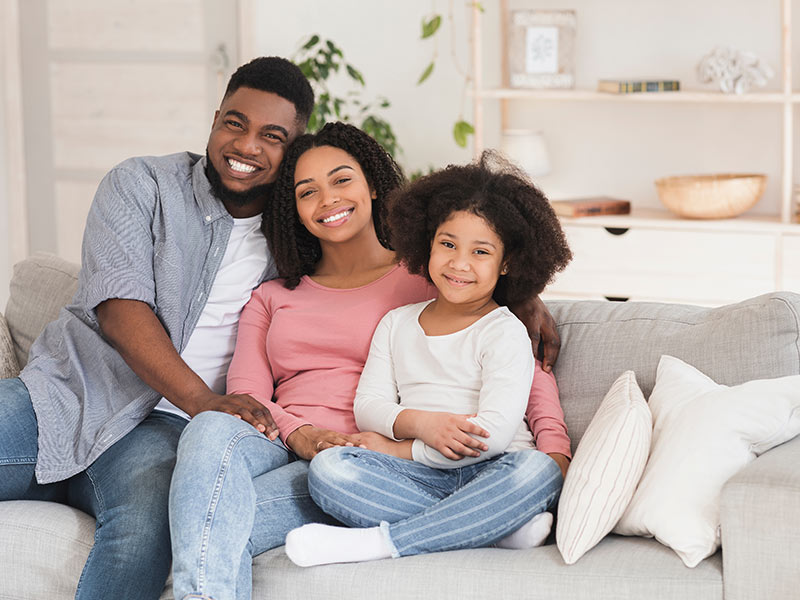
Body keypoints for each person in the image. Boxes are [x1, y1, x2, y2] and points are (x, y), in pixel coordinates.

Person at [169, 122, 571, 600]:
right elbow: (248, 397)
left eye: (342, 180)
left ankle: (433, 527)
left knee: (216, 523)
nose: (328, 200)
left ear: (374, 185)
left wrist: (555, 450)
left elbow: (517, 363)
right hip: (290, 443)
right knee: (210, 432)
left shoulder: (430, 276)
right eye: (307, 191)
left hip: (374, 457)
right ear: (292, 208)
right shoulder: (271, 297)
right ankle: (486, 523)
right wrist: (302, 434)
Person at [0, 57, 314, 599]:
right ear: (216, 118)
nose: (246, 147)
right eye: (235, 123)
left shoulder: (299, 235)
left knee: (144, 538)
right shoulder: (142, 183)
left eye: (272, 136)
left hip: (164, 435)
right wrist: (202, 400)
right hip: (67, 393)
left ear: (294, 149)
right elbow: (121, 309)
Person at [283, 149, 573, 567]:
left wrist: (400, 449)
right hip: (416, 480)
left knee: (537, 474)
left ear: (507, 263)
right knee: (329, 472)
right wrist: (423, 424)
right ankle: (492, 530)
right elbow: (368, 407)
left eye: (481, 252)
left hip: (492, 469)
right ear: (427, 243)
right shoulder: (396, 324)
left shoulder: (505, 330)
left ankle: (380, 543)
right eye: (448, 244)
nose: (459, 263)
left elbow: (488, 437)